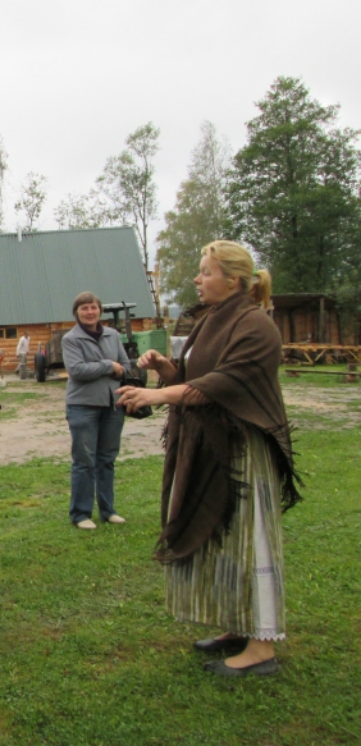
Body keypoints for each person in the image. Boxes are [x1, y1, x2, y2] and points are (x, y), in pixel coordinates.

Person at [117, 240, 301, 677]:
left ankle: (262, 648)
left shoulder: (256, 326)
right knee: (225, 540)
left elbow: (222, 384)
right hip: (213, 446)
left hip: (243, 451)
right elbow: (194, 379)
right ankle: (239, 626)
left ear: (233, 281)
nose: (198, 280)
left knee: (250, 538)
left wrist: (158, 393)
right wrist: (164, 367)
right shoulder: (212, 321)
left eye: (206, 272)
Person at [61, 291, 129, 530]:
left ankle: (108, 510)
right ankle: (81, 514)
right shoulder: (71, 339)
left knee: (107, 459)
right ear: (77, 313)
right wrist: (109, 366)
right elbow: (77, 371)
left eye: (93, 307)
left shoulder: (113, 335)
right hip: (83, 407)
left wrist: (114, 368)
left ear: (100, 310)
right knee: (84, 460)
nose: (89, 312)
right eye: (84, 308)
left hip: (113, 404)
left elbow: (126, 366)